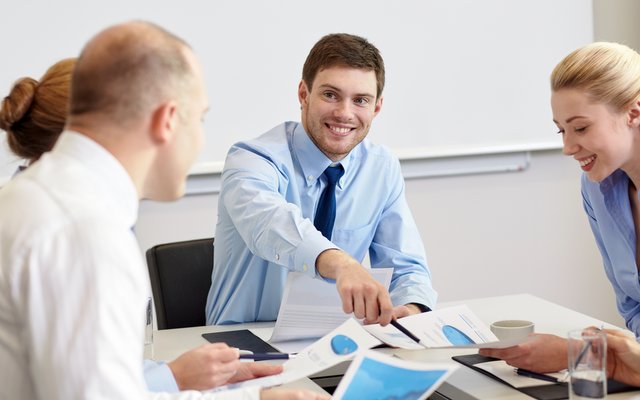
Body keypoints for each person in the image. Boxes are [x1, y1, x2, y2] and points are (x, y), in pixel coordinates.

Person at [0, 21, 327, 400]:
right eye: (200, 118)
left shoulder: (33, 196)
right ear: (168, 120)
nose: (201, 138)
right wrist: (256, 398)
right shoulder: (85, 232)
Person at [206, 33, 437, 326]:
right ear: (304, 94)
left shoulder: (381, 167)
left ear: (376, 108)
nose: (344, 113)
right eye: (330, 95)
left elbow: (406, 265)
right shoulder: (251, 158)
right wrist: (342, 264)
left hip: (333, 344)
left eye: (360, 100)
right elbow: (271, 225)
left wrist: (412, 308)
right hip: (245, 346)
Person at [481, 41, 640, 373]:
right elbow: (633, 308)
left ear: (634, 113)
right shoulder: (597, 188)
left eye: (580, 128)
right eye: (561, 130)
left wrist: (586, 356)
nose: (567, 147)